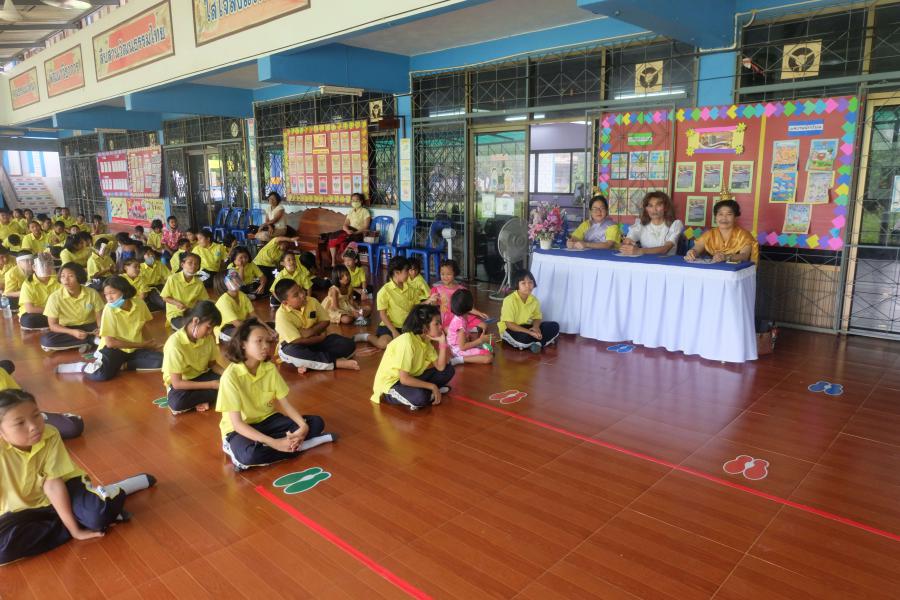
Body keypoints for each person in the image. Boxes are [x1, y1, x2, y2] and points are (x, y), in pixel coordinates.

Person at [0, 389, 157, 566]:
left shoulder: (50, 434)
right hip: (19, 510)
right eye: (20, 423)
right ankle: (85, 513)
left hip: (64, 488)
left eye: (36, 415)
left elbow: (53, 485)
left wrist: (75, 531)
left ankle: (117, 490)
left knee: (97, 517)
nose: (33, 426)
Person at [217, 318, 336, 472]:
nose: (265, 346)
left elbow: (286, 404)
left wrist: (303, 426)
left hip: (268, 420)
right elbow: (238, 424)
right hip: (239, 430)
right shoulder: (230, 377)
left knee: (316, 422)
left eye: (267, 341)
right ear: (243, 344)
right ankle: (299, 445)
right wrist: (275, 443)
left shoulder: (269, 368)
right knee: (250, 455)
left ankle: (282, 446)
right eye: (259, 341)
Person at [56, 276, 163, 381]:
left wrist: (151, 344)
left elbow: (143, 326)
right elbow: (111, 343)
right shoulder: (109, 309)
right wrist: (142, 345)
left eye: (112, 293)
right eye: (106, 294)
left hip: (135, 349)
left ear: (125, 291)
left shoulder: (139, 303)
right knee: (100, 374)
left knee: (162, 360)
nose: (109, 298)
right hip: (115, 349)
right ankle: (81, 366)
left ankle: (124, 365)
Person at [370, 304, 455, 410]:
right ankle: (427, 394)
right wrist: (432, 386)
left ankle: (428, 393)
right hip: (391, 385)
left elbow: (440, 367)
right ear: (424, 327)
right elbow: (404, 379)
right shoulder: (407, 341)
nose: (440, 327)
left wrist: (442, 342)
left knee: (448, 370)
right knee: (420, 397)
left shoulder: (425, 340)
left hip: (410, 378)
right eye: (436, 324)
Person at [273, 280, 362, 372]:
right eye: (296, 295)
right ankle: (335, 362)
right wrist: (320, 338)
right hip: (294, 345)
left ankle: (311, 363)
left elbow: (325, 321)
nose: (302, 294)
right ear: (285, 303)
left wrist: (311, 331)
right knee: (292, 352)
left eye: (301, 290)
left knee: (348, 344)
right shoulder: (281, 315)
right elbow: (297, 340)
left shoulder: (312, 301)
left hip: (314, 340)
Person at [161, 301, 223, 414]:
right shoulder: (175, 344)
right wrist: (212, 385)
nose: (210, 332)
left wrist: (228, 374)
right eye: (208, 327)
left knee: (229, 381)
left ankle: (203, 398)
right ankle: (212, 395)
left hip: (202, 376)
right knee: (177, 403)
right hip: (182, 384)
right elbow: (177, 383)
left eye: (212, 329)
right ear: (195, 321)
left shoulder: (208, 338)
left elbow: (213, 365)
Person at [0, 361, 83, 440]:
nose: (33, 427)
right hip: (7, 422)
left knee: (72, 426)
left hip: (14, 414)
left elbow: (19, 402)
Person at [40, 263, 101, 353]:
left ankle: (85, 341)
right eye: (62, 276)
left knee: (111, 331)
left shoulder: (92, 293)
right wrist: (72, 332)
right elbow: (53, 325)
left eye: (70, 276)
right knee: (46, 341)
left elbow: (99, 317)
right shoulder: (55, 297)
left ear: (79, 277)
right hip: (67, 329)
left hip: (90, 327)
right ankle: (92, 340)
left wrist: (100, 329)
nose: (66, 280)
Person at [499, 269, 560, 352]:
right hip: (511, 329)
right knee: (524, 338)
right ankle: (540, 342)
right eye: (523, 283)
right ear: (517, 285)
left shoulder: (534, 300)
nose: (528, 286)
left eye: (530, 282)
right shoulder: (509, 300)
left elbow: (537, 317)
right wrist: (529, 332)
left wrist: (536, 327)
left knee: (554, 326)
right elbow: (509, 324)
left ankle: (536, 343)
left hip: (528, 327)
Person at [685, 199, 759, 264]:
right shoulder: (709, 234)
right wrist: (692, 252)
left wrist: (726, 257)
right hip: (714, 270)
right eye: (720, 214)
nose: (724, 218)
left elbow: (744, 256)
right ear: (716, 217)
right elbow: (697, 248)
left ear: (735, 217)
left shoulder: (744, 235)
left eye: (729, 214)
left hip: (736, 271)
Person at [429, 259, 488, 330]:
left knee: (484, 325)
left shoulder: (462, 290)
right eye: (442, 274)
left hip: (462, 316)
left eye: (448, 274)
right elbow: (432, 307)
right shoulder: (436, 290)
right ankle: (465, 330)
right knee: (447, 329)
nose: (445, 277)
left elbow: (468, 307)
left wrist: (479, 313)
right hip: (447, 320)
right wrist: (433, 302)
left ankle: (463, 330)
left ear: (455, 274)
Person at [619, 191, 684, 256]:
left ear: (666, 207)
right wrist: (627, 244)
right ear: (646, 209)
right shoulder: (640, 225)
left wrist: (640, 250)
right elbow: (627, 241)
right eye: (650, 206)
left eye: (658, 205)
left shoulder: (675, 225)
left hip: (667, 261)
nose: (654, 209)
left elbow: (665, 249)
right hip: (645, 261)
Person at [373, 256, 416, 350]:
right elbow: (383, 315)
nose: (409, 274)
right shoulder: (384, 291)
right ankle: (367, 337)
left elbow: (415, 307)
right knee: (383, 343)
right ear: (397, 272)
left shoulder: (411, 289)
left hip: (406, 326)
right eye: (406, 271)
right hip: (390, 326)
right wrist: (393, 331)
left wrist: (428, 301)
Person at [160, 252, 209, 329]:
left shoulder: (199, 282)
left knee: (206, 324)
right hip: (176, 314)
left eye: (196, 264)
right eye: (190, 263)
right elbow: (164, 297)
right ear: (182, 265)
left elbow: (203, 299)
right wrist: (177, 303)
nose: (193, 266)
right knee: (189, 328)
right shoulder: (173, 279)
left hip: (191, 313)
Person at [447, 289, 493, 365]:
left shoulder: (461, 317)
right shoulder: (460, 325)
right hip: (457, 350)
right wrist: (480, 340)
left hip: (457, 346)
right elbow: (462, 347)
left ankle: (466, 355)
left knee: (488, 349)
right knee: (489, 357)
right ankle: (458, 359)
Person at [18, 253, 60, 331]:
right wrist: (53, 311)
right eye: (42, 265)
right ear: (34, 267)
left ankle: (54, 323)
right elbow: (30, 309)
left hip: (54, 311)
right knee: (29, 320)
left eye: (49, 264)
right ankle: (55, 323)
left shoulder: (58, 280)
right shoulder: (28, 284)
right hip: (36, 313)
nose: (46, 268)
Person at [327, 193, 371, 265]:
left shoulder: (365, 211)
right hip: (349, 231)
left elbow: (366, 227)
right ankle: (333, 262)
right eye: (353, 200)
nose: (354, 202)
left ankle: (346, 263)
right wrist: (347, 230)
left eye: (357, 200)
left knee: (345, 241)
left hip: (358, 233)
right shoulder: (351, 211)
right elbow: (345, 225)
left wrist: (355, 233)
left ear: (361, 201)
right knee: (332, 237)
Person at [214, 270, 256, 343]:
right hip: (226, 328)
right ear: (224, 284)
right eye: (231, 278)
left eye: (235, 276)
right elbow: (237, 323)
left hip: (240, 323)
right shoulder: (224, 301)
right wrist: (256, 333)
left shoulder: (242, 295)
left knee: (263, 327)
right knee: (247, 337)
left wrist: (267, 329)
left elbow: (255, 316)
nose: (235, 279)